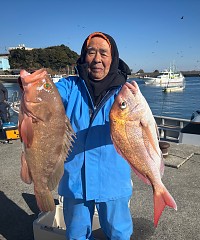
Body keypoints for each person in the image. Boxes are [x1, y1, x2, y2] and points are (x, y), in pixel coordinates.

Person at [55, 32, 133, 240]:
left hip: (113, 179)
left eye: (104, 53)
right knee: (76, 234)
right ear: (83, 57)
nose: (97, 59)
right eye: (91, 52)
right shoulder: (69, 86)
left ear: (113, 58)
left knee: (119, 234)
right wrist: (31, 86)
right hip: (75, 180)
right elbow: (47, 94)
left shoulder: (125, 93)